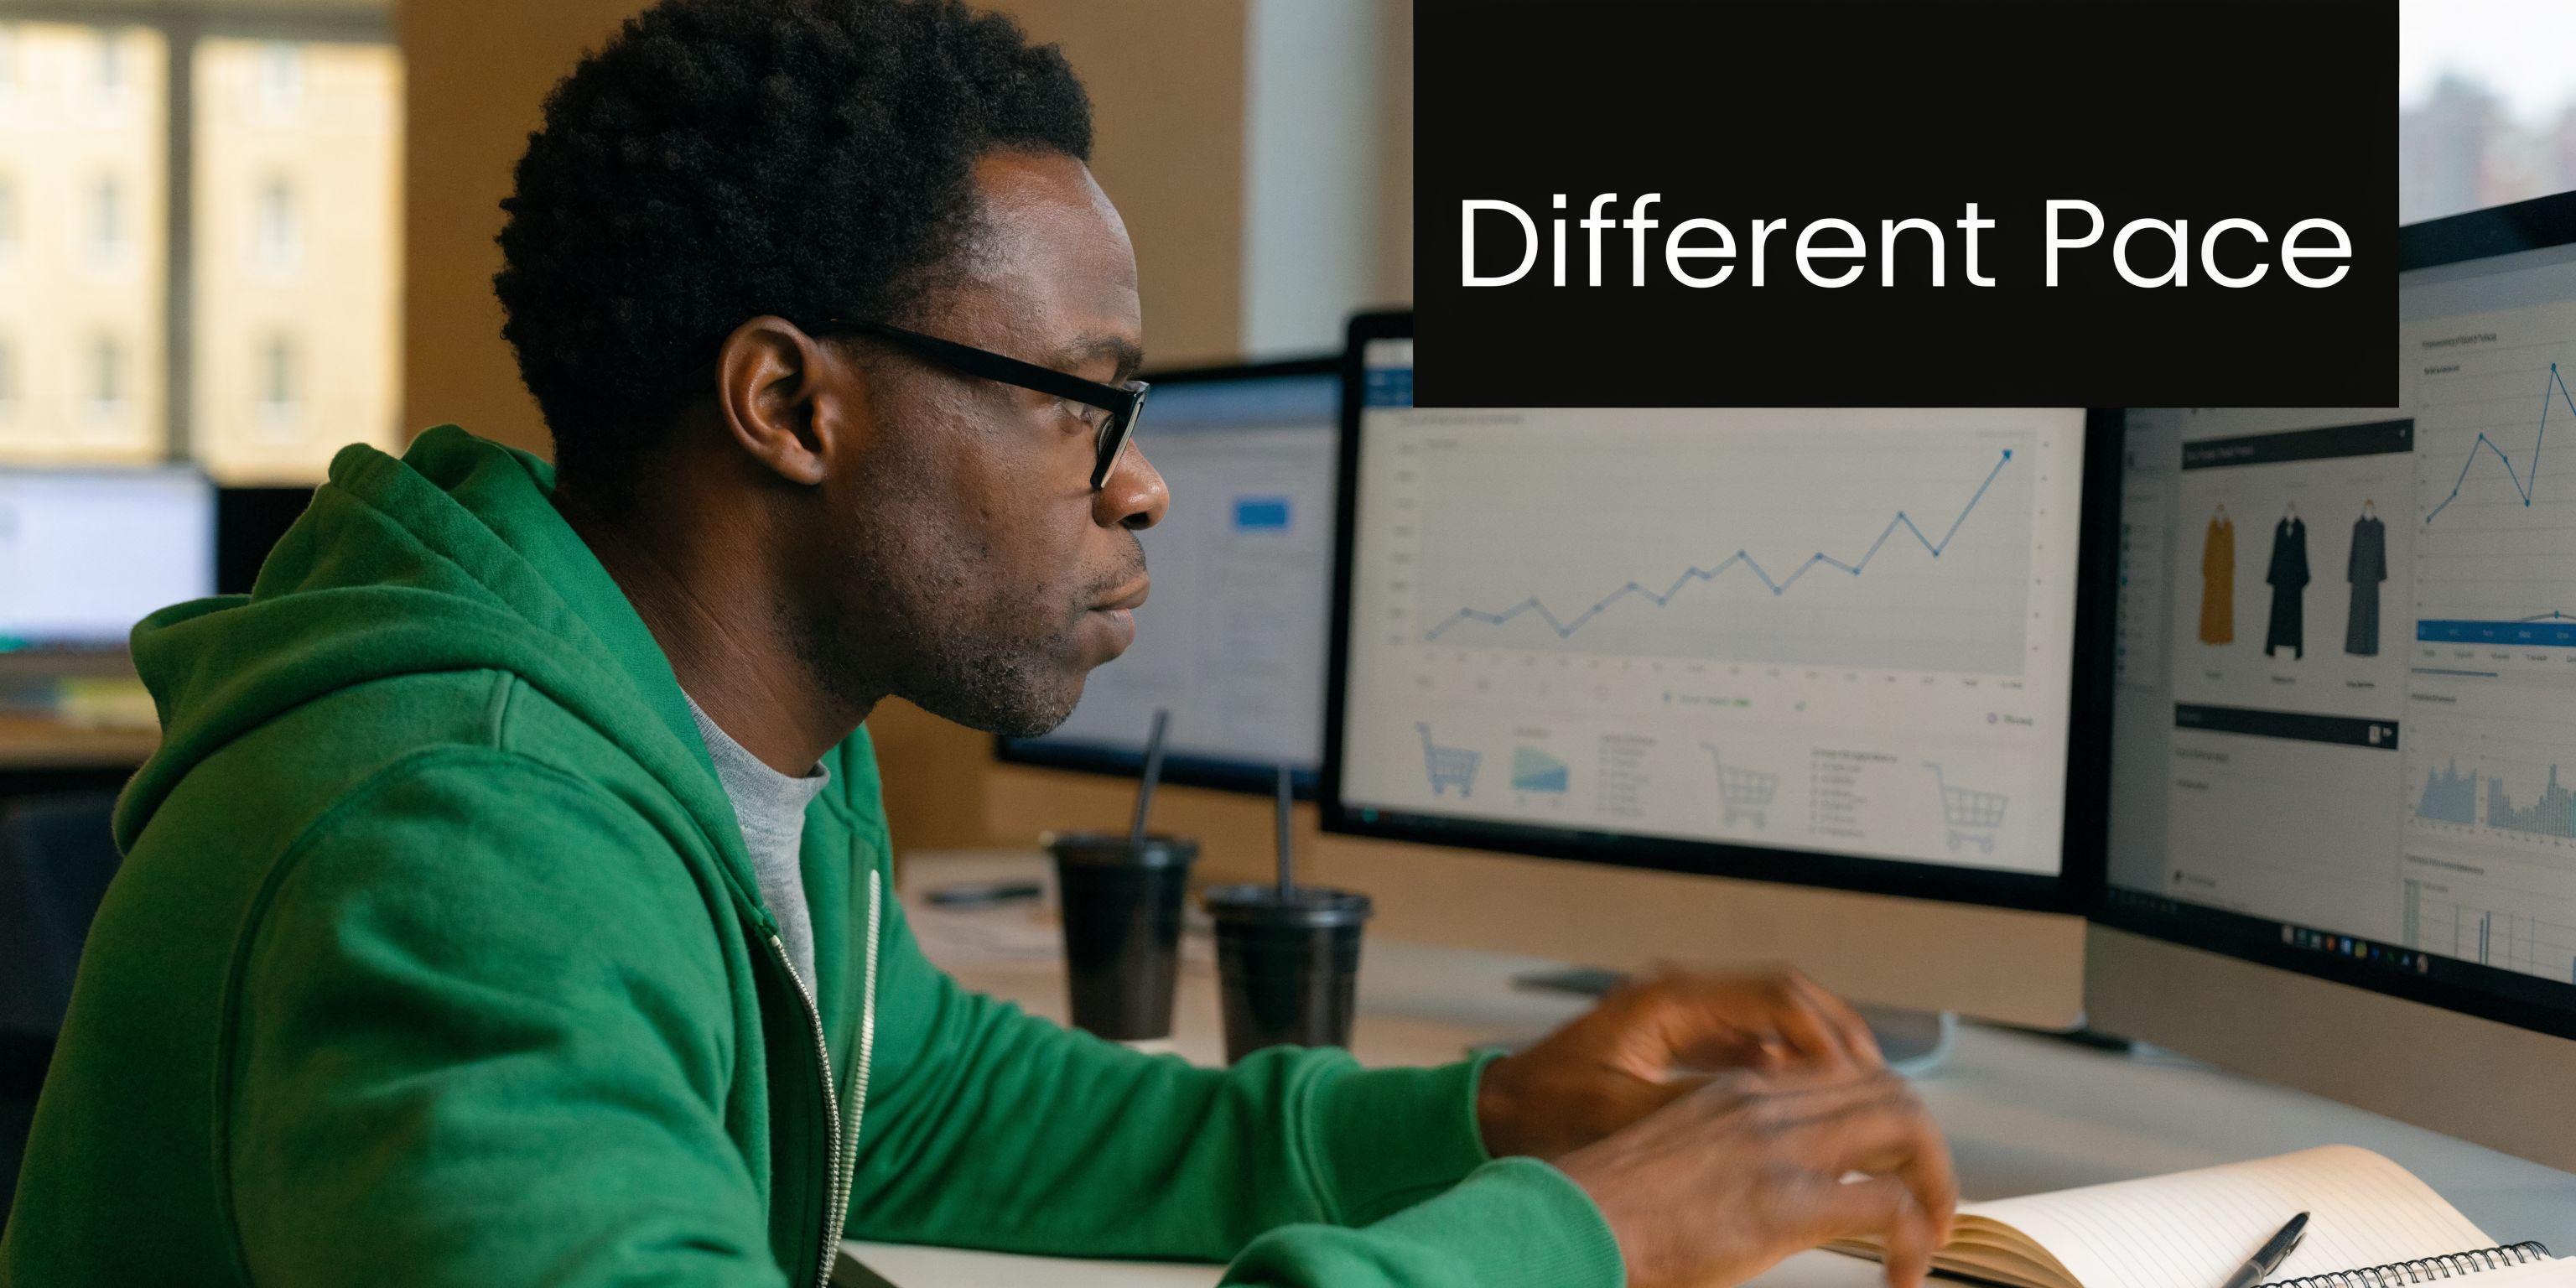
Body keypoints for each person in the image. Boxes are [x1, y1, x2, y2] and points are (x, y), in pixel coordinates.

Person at [0, 3, 1954, 1286]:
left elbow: (914, 1102)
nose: (1141, 484)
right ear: (791, 404)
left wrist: (1477, 1116)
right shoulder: (458, 842)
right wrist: (1565, 1236)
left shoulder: (742, 736)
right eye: (1078, 400)